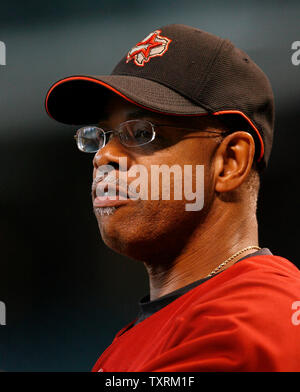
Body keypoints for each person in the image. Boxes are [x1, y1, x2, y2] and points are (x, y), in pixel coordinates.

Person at [45, 24, 300, 371]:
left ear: (230, 162)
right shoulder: (150, 329)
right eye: (102, 135)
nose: (102, 157)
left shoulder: (252, 316)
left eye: (140, 132)